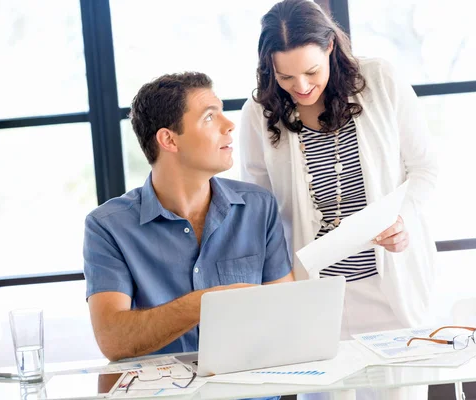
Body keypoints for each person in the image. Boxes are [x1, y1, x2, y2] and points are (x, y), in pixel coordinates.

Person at [239, 0, 438, 398]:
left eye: (311, 71)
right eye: (286, 76)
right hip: (316, 303)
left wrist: (401, 220)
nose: (301, 86)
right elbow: (259, 213)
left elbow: (425, 169)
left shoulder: (379, 79)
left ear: (330, 46)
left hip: (389, 292)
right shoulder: (257, 114)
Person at [83, 72, 293, 362]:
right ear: (169, 139)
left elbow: (288, 318)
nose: (229, 125)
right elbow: (113, 340)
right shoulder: (107, 226)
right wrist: (205, 304)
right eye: (209, 117)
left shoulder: (259, 207)